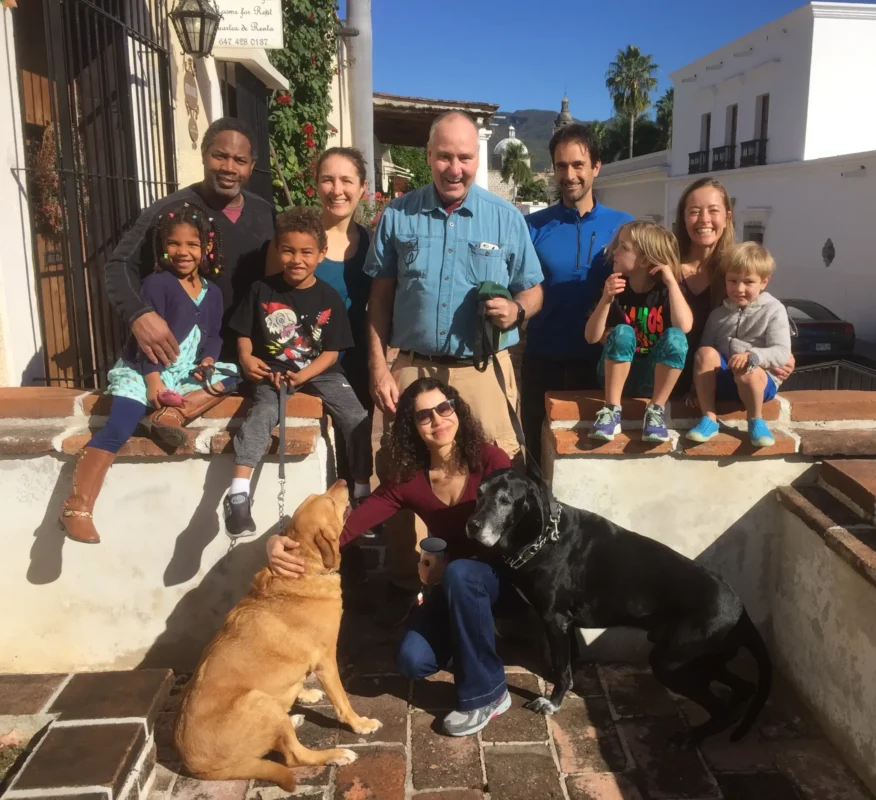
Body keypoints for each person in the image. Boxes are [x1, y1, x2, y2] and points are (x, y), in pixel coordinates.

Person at [364, 110, 543, 622]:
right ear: (428, 156)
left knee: (495, 470)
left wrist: (517, 310)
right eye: (445, 156)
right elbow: (379, 300)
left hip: (481, 368)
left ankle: (490, 583)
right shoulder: (398, 215)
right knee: (402, 470)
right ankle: (409, 588)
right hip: (414, 365)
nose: (455, 167)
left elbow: (533, 288)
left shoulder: (505, 218)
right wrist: (380, 368)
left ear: (476, 158)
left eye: (465, 157)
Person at [266, 378, 516, 737]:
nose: (438, 421)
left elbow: (514, 531)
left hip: (498, 577)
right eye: (424, 416)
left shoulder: (492, 460)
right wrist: (280, 543)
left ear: (457, 410)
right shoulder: (408, 480)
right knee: (412, 661)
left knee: (462, 574)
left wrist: (452, 569)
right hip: (452, 586)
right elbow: (347, 529)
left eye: (444, 408)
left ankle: (487, 694)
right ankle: (474, 638)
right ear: (412, 428)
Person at [61, 202, 238, 544]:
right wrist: (153, 380)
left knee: (234, 375)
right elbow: (146, 344)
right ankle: (77, 507)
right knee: (120, 425)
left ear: (207, 248)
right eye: (174, 244)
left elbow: (214, 334)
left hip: (184, 372)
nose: (182, 252)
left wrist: (208, 361)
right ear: (163, 248)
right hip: (143, 369)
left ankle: (169, 415)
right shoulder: (157, 284)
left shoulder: (213, 293)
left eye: (192, 244)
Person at [104, 117, 275, 441]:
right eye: (219, 156)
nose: (228, 167)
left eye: (239, 160)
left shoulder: (265, 213)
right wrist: (140, 315)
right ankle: (168, 417)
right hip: (182, 364)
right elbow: (119, 264)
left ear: (251, 167)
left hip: (243, 359)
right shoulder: (172, 210)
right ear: (204, 155)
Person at [222, 208, 372, 536]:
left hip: (318, 371)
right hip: (272, 370)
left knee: (357, 416)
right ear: (277, 249)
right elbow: (243, 333)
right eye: (288, 250)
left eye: (306, 252)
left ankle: (362, 492)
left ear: (321, 254)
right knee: (262, 413)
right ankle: (238, 493)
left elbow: (332, 353)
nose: (296, 259)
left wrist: (304, 377)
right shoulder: (261, 289)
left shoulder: (329, 297)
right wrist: (247, 359)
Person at [523, 124, 634, 464]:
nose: (569, 175)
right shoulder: (532, 226)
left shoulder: (625, 226)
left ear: (596, 167)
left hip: (601, 367)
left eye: (577, 165)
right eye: (561, 166)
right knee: (536, 457)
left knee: (598, 458)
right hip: (544, 362)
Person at [675, 177, 794, 397]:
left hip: (719, 383)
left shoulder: (738, 270)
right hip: (668, 384)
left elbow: (765, 314)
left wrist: (781, 354)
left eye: (713, 211)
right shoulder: (667, 269)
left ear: (727, 217)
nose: (704, 220)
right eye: (693, 212)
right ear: (683, 217)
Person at [584, 221, 692, 442]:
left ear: (645, 260)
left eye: (623, 247)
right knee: (623, 332)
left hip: (652, 377)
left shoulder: (666, 292)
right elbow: (591, 337)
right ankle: (612, 410)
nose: (615, 251)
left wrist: (671, 282)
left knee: (676, 337)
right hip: (614, 376)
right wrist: (606, 299)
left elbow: (685, 327)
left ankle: (656, 411)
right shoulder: (615, 288)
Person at [687, 242, 791, 448]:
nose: (739, 289)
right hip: (724, 379)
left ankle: (756, 421)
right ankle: (709, 418)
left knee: (748, 369)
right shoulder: (718, 315)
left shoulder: (774, 310)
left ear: (763, 282)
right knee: (705, 352)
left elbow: (781, 352)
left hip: (759, 381)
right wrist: (693, 389)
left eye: (748, 282)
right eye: (732, 281)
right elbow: (702, 355)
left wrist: (753, 356)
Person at [313, 147, 373, 487]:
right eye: (328, 179)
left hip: (357, 361)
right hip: (309, 363)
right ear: (316, 185)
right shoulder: (299, 241)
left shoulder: (370, 243)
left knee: (357, 441)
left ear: (362, 187)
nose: (337, 190)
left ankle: (356, 526)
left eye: (346, 180)